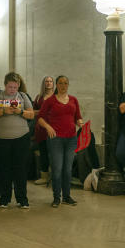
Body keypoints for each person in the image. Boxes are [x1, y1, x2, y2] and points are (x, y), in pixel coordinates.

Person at [0, 72, 34, 209]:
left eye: (15, 87)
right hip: (1, 138)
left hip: (21, 138)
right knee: (3, 169)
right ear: (5, 85)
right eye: (10, 87)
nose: (12, 90)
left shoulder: (23, 96)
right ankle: (4, 198)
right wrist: (2, 111)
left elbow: (31, 114)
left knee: (20, 169)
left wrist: (20, 112)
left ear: (18, 86)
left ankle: (22, 199)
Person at [36, 75, 83, 207]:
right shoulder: (50, 101)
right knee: (57, 169)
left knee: (67, 170)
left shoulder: (74, 100)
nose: (63, 86)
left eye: (65, 83)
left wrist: (80, 123)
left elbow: (77, 117)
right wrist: (48, 126)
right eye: (60, 83)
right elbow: (40, 118)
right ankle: (56, 197)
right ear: (56, 85)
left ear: (68, 85)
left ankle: (67, 196)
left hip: (71, 139)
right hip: (55, 139)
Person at [33, 76, 55, 185]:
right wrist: (41, 112)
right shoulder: (39, 97)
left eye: (51, 81)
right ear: (44, 83)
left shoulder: (57, 96)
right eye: (47, 81)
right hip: (41, 129)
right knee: (44, 152)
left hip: (54, 128)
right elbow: (33, 111)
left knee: (55, 152)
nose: (49, 83)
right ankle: (44, 176)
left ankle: (56, 175)